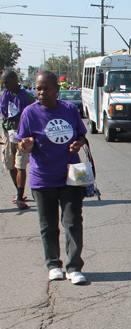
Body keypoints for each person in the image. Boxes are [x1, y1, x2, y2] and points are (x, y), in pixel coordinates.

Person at [14, 71, 88, 284]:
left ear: (57, 89)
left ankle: (74, 267)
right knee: (48, 225)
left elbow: (81, 134)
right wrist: (24, 146)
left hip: (70, 176)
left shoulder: (69, 109)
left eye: (46, 88)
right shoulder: (30, 113)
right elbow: (22, 141)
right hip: (43, 178)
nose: (41, 93)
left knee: (73, 222)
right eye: (38, 88)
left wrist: (79, 143)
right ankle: (54, 264)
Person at [1, 69, 37, 210]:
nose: (4, 86)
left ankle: (19, 195)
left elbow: (35, 115)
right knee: (10, 165)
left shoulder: (27, 97)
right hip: (8, 135)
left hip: (23, 135)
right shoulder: (2, 96)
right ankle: (18, 191)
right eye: (3, 83)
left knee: (20, 164)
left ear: (15, 80)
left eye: (6, 83)